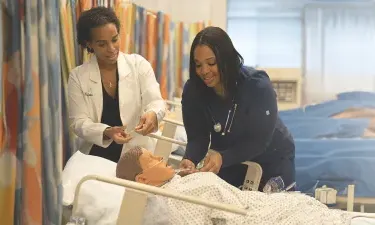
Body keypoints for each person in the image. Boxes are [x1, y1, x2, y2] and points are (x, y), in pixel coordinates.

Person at [179, 26, 295, 190]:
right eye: (198, 65)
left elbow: (258, 141)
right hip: (229, 156)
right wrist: (190, 159)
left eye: (211, 63)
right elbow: (198, 137)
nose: (204, 71)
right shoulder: (194, 90)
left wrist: (223, 157)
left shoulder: (256, 86)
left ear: (226, 59)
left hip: (271, 156)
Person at [116, 147, 352, 225]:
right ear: (142, 180)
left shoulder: (176, 179)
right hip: (249, 216)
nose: (162, 158)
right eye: (154, 161)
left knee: (306, 206)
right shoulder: (172, 201)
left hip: (254, 203)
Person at [68, 7, 166, 162]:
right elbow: (78, 122)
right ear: (89, 44)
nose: (111, 49)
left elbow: (156, 101)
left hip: (137, 153)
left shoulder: (138, 65)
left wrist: (152, 114)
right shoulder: (78, 76)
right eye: (102, 44)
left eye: (114, 39)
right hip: (96, 156)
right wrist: (106, 131)